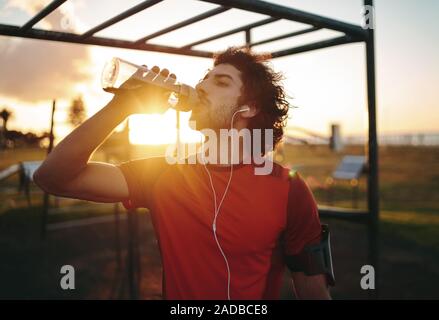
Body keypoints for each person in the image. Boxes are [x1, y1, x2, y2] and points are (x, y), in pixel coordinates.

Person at [33, 47, 334, 300]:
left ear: (249, 108)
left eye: (221, 82)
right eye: (204, 79)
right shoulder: (162, 173)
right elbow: (53, 177)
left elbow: (312, 288)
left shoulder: (288, 188)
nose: (201, 87)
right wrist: (121, 107)